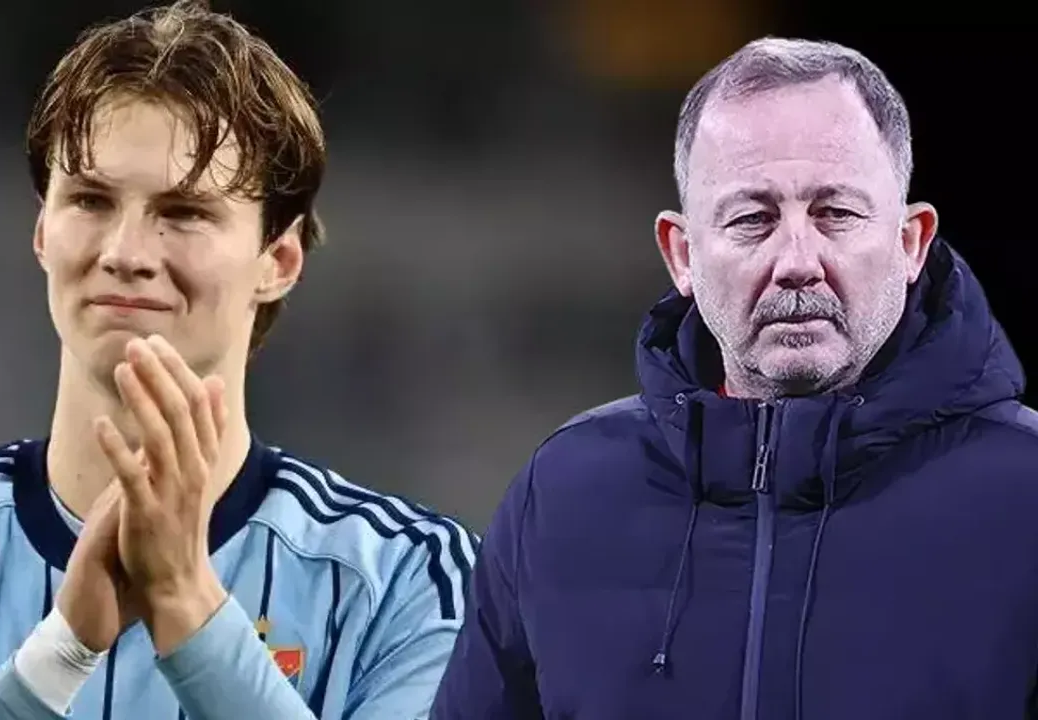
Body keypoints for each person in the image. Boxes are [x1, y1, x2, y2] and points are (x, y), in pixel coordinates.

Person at [0, 3, 477, 719]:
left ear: (278, 260)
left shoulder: (413, 582)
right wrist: (59, 656)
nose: (126, 253)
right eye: (90, 200)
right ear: (43, 232)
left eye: (185, 212)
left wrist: (189, 610)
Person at [432, 37, 1038, 720]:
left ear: (910, 242)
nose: (797, 261)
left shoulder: (1027, 495)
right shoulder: (562, 494)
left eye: (836, 214)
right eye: (753, 220)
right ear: (682, 255)